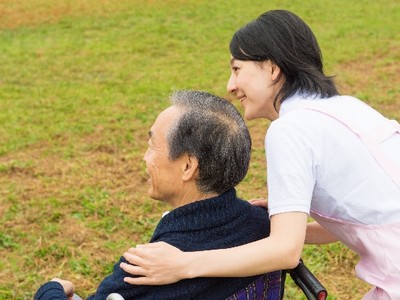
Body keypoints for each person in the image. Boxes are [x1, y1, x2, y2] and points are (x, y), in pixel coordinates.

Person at [119, 10, 400, 299]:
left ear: (272, 68)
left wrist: (183, 264)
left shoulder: (290, 130)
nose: (230, 85)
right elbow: (367, 215)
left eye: (237, 69)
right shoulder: (346, 107)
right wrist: (277, 223)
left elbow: (285, 252)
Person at [34, 90, 283, 300]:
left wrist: (49, 291)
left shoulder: (145, 270)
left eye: (152, 146)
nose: (144, 156)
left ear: (187, 166)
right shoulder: (266, 230)